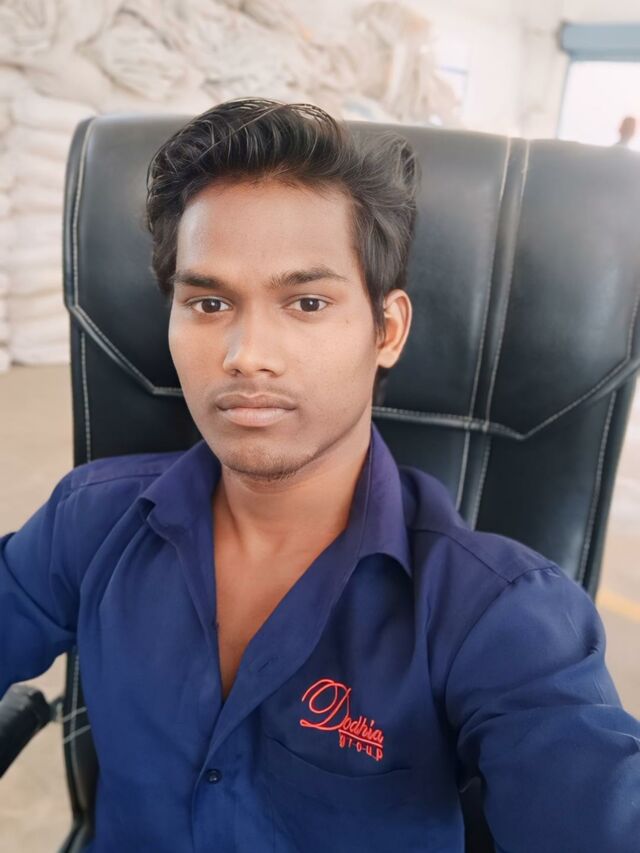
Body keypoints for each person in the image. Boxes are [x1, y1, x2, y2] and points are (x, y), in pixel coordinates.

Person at [1, 98, 639, 852]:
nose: (246, 354)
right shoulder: (90, 519)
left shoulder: (493, 611)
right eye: (208, 302)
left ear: (387, 330)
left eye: (306, 302)